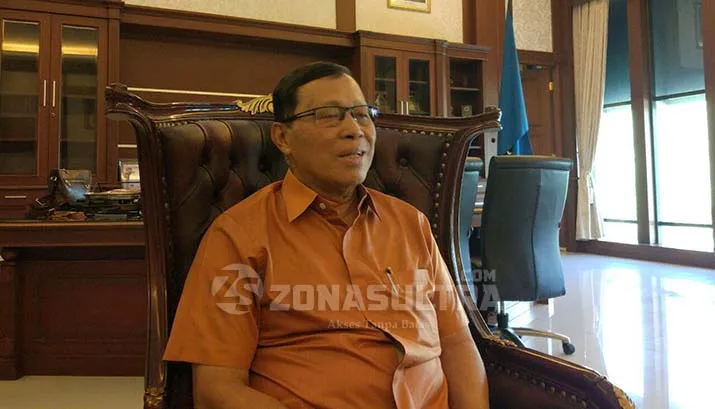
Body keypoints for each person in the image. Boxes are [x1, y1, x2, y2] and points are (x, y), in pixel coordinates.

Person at [163, 62, 489, 409]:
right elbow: (217, 389)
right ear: (283, 138)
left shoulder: (411, 224)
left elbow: (457, 344)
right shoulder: (238, 236)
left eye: (362, 114)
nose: (354, 130)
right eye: (329, 116)